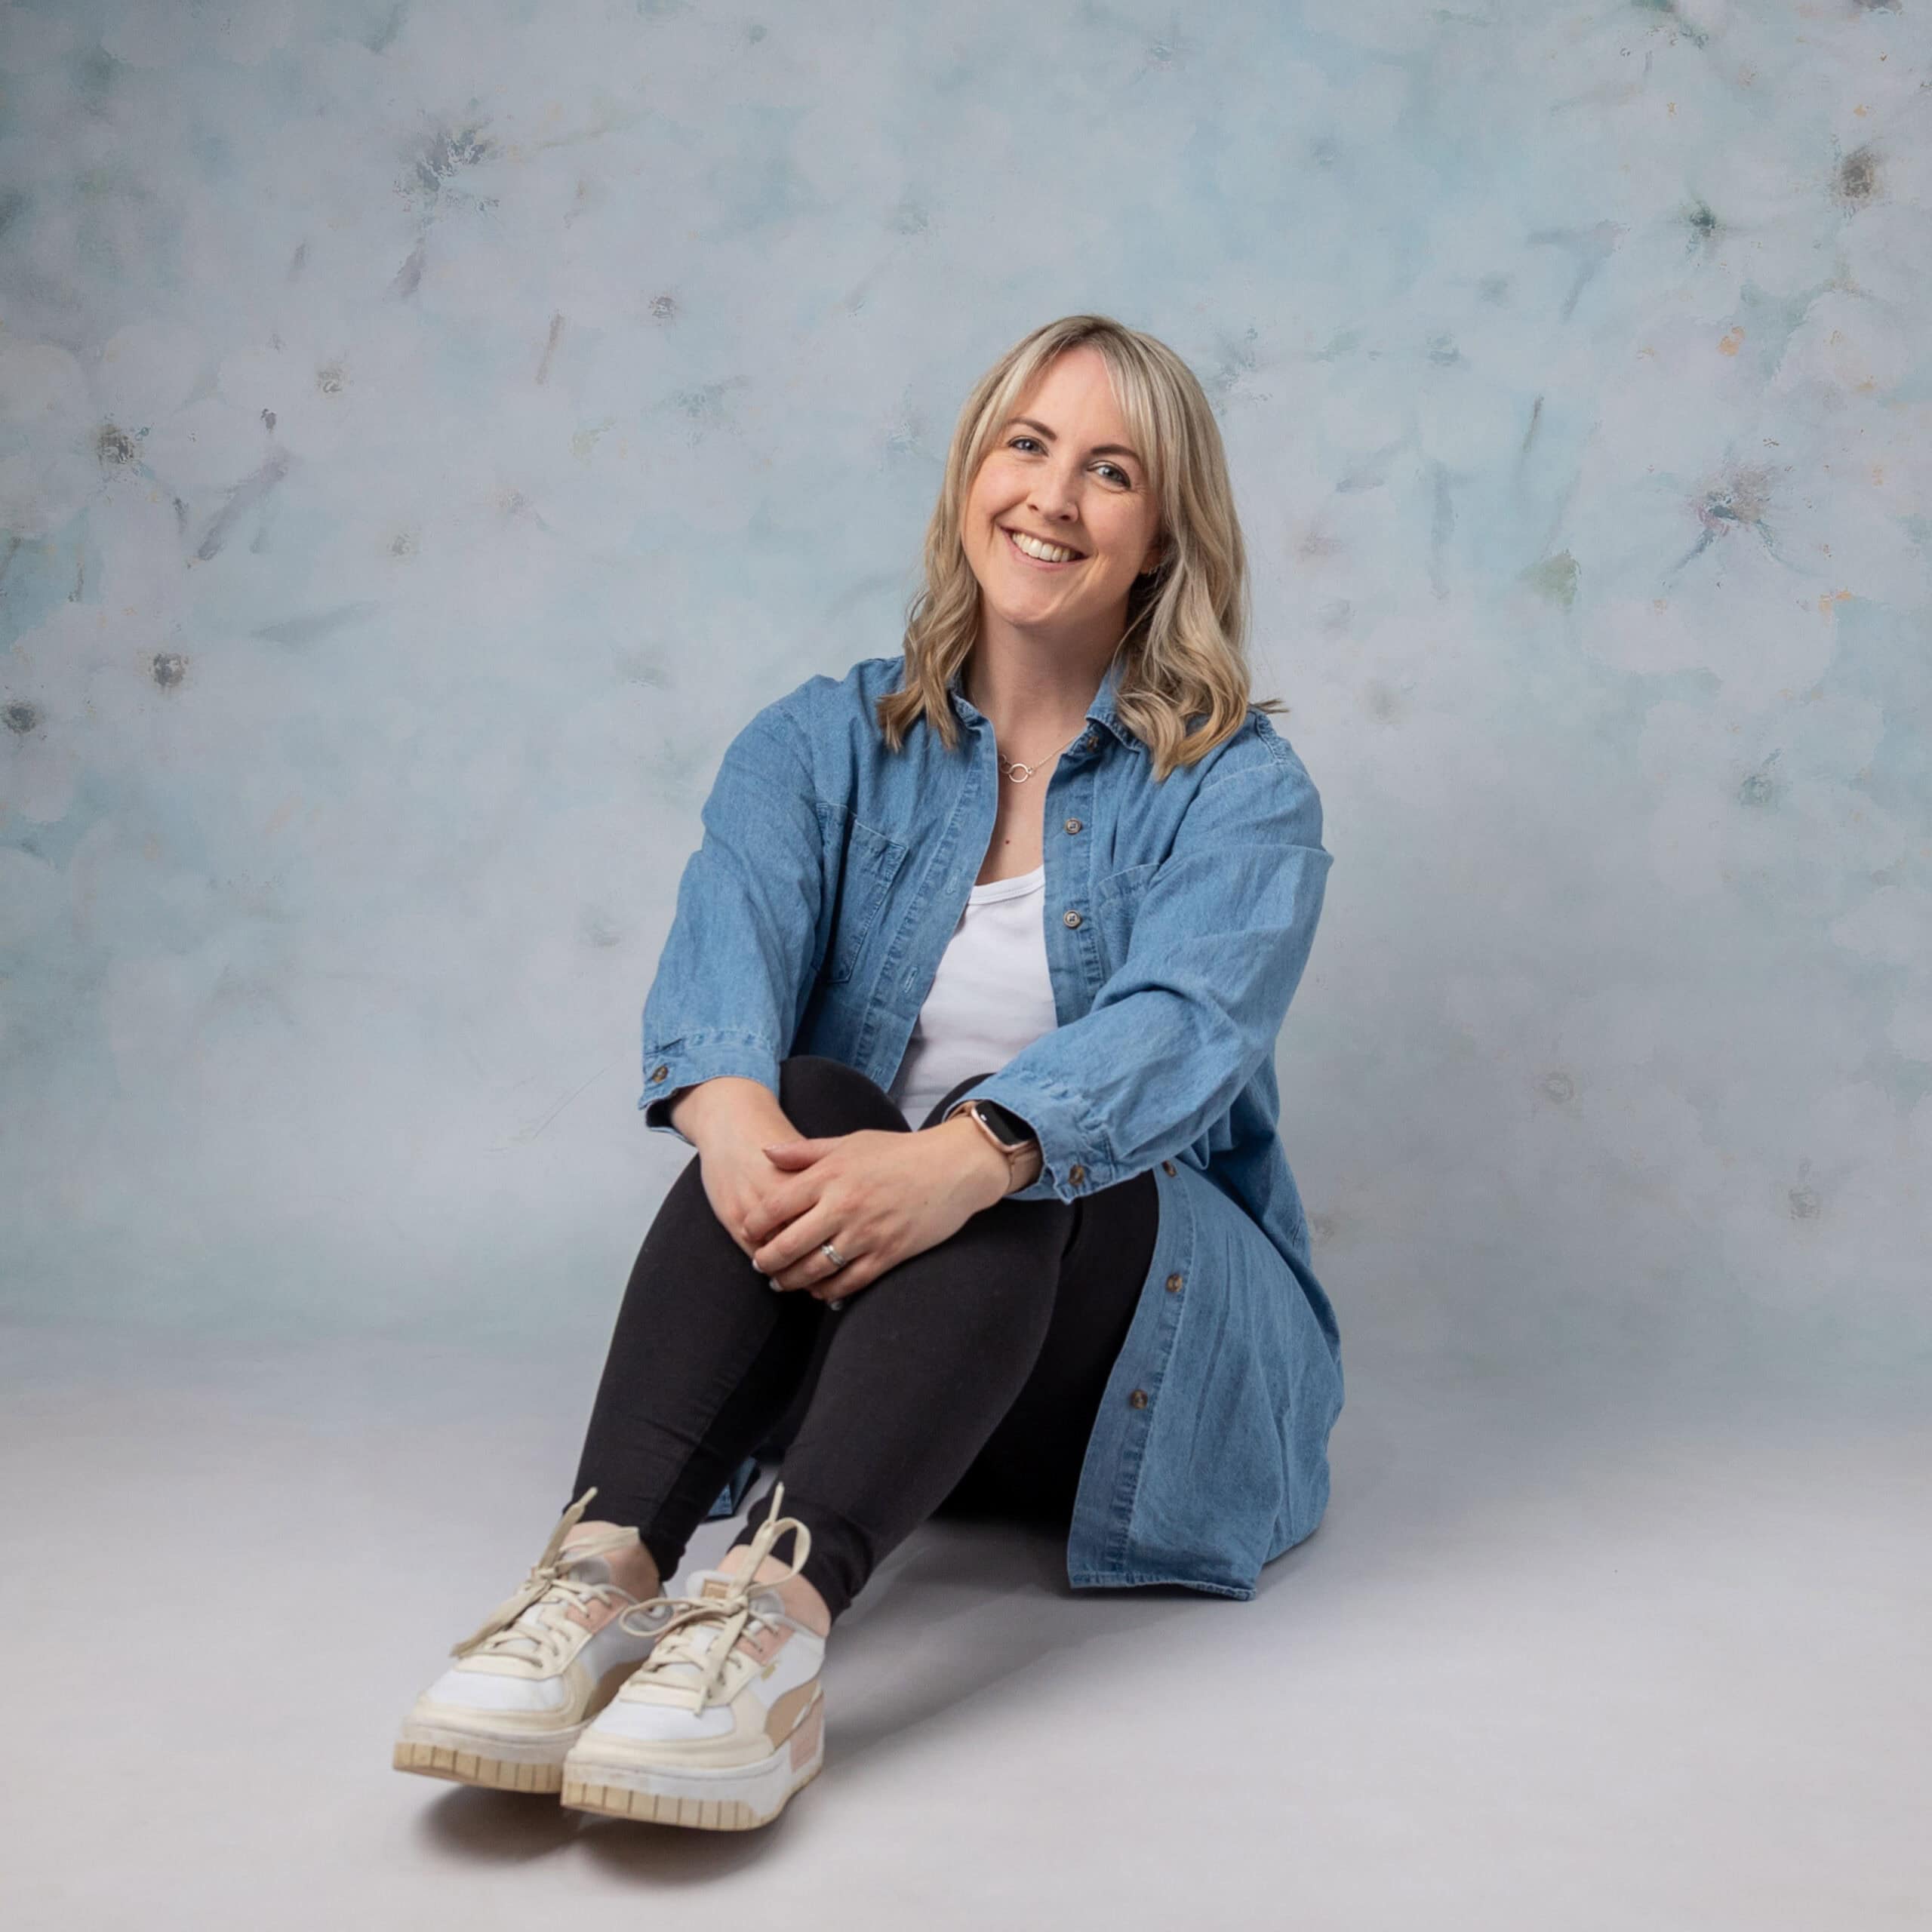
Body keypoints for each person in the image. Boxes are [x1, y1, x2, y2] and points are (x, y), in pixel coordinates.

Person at [393, 313, 1344, 1832]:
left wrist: (967, 1154)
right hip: (896, 1361)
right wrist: (733, 1115)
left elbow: (1188, 1025)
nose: (1051, 494)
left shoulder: (1237, 788)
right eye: (1024, 444)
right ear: (970, 470)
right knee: (815, 1095)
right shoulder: (820, 741)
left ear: (1160, 534)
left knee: (1023, 1144)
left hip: (1129, 1366)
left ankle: (765, 1639)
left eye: (1109, 470)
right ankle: (589, 1581)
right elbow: (726, 945)